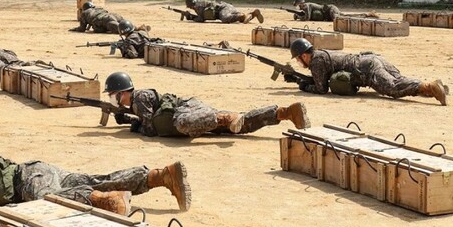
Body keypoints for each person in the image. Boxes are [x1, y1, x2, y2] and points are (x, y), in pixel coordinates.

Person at [0, 120, 191, 213]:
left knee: (48, 201)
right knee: (97, 179)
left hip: (29, 180)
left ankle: (104, 202)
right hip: (36, 169)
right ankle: (160, 176)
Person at [103, 72, 309, 139]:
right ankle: (285, 113)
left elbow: (150, 129)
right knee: (239, 126)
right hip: (195, 117)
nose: (113, 100)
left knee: (183, 123)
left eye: (113, 96)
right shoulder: (136, 103)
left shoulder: (139, 97)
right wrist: (129, 117)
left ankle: (225, 118)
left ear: (122, 92)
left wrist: (133, 124)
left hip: (188, 111)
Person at [288, 39, 449, 105]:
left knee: (393, 88)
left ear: (303, 55)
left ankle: (430, 86)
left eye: (298, 59)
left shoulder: (316, 61)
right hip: (372, 59)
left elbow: (321, 89)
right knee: (400, 80)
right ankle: (433, 90)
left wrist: (303, 86)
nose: (298, 62)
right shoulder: (321, 55)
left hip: (367, 68)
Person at [74, 1, 144, 34]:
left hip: (103, 20)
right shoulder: (98, 9)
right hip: (112, 15)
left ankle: (135, 31)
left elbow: (82, 29)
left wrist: (74, 29)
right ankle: (136, 27)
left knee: (120, 29)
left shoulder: (85, 13)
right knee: (124, 22)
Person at [183, 0, 263, 24]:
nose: (191, 8)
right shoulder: (200, 3)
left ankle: (244, 15)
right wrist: (191, 16)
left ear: (192, 5)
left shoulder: (198, 6)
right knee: (242, 20)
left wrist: (191, 17)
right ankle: (253, 14)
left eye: (190, 7)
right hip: (227, 7)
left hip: (223, 8)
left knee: (225, 18)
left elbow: (201, 19)